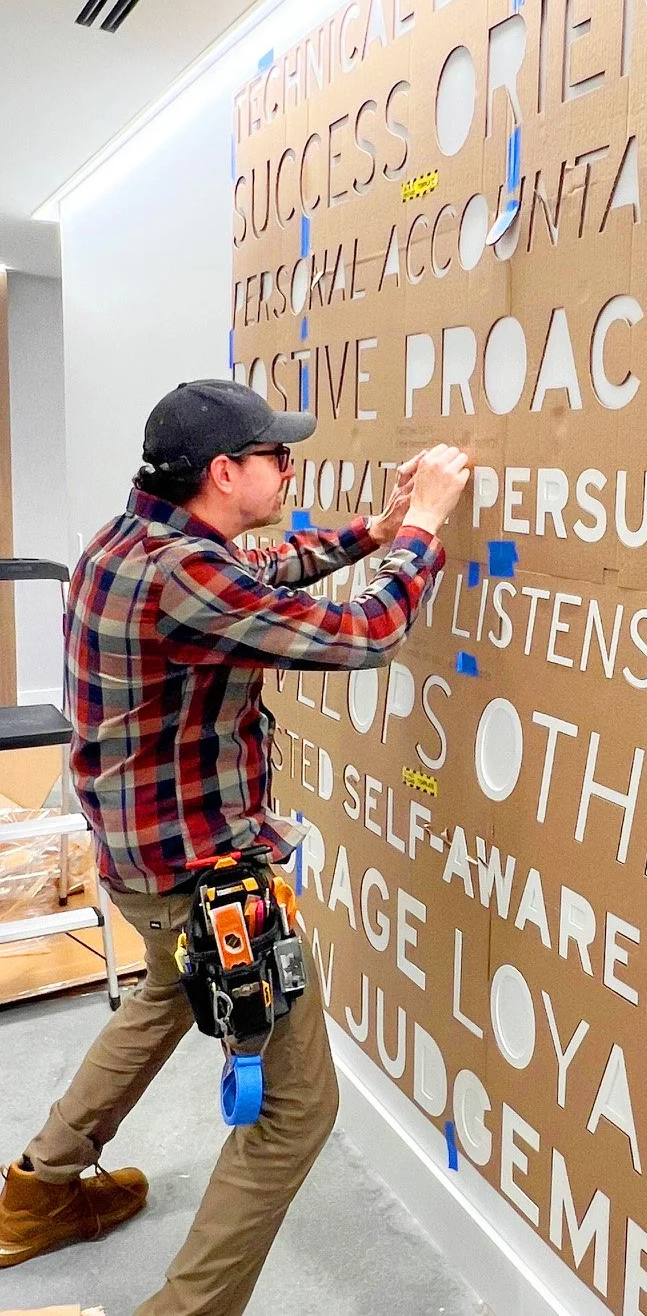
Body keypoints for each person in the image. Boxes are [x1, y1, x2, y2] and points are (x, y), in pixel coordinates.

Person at [0, 379, 470, 1314]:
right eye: (274, 456)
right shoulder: (185, 575)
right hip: (201, 871)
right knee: (298, 1114)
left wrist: (367, 535)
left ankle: (35, 1192)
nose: (289, 468)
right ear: (224, 471)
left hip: (135, 853)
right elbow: (363, 634)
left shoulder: (128, 544)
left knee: (165, 994)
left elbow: (258, 574)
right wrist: (422, 527)